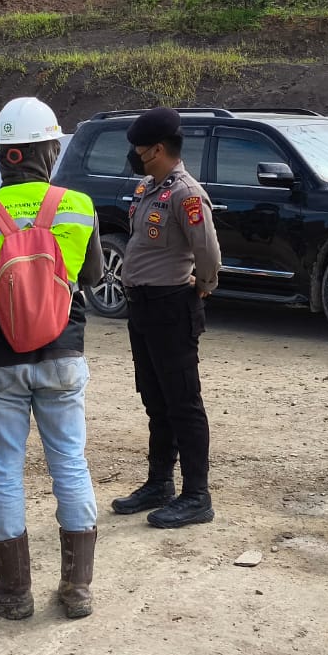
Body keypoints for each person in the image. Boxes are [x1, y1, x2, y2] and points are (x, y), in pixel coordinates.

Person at [0, 98, 103, 621]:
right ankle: (77, 588)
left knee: (3, 473)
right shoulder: (77, 206)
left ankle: (13, 590)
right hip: (63, 355)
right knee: (69, 462)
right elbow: (88, 279)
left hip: (2, 363)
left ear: (3, 156)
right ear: (51, 149)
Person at [112, 106, 222, 529]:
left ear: (157, 148)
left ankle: (197, 495)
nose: (134, 154)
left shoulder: (185, 195)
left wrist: (203, 286)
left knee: (183, 403)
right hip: (141, 308)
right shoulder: (147, 188)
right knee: (155, 398)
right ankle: (159, 482)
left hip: (171, 306)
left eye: (138, 148)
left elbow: (208, 254)